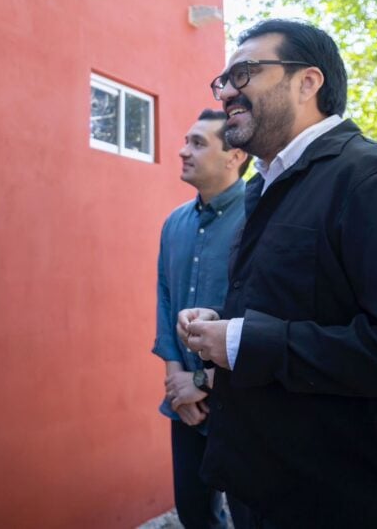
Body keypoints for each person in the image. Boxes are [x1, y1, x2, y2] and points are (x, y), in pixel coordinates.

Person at [178, 19, 377, 528]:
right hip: (271, 498)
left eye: (245, 73)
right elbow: (301, 314)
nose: (228, 91)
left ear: (308, 82)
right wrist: (221, 328)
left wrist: (248, 343)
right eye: (223, 81)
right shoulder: (268, 190)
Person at [153, 109, 248, 529]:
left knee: (253, 515)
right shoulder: (174, 223)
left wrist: (199, 385)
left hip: (246, 403)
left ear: (236, 156)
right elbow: (165, 300)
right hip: (186, 409)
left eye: (197, 143)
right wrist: (178, 386)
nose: (181, 151)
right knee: (196, 514)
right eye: (185, 140)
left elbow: (268, 317)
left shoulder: (260, 218)